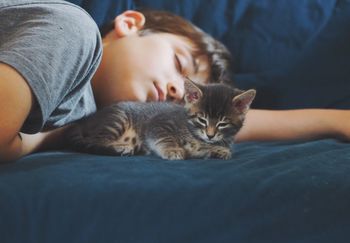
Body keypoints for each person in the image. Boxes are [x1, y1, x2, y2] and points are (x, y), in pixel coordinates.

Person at [0, 1, 349, 163]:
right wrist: (38, 140)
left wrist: (334, 119)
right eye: (179, 64)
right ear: (130, 24)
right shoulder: (75, 33)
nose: (175, 91)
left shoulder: (85, 114)